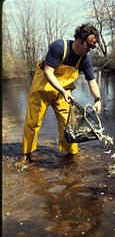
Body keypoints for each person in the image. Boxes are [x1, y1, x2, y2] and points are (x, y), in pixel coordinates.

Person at [21, 23, 102, 162]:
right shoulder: (59, 47)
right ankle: (26, 154)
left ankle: (72, 155)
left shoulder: (85, 59)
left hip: (63, 93)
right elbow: (48, 72)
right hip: (42, 89)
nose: (90, 49)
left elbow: (92, 81)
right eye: (88, 45)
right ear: (79, 39)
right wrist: (63, 90)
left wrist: (98, 99)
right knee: (33, 122)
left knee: (69, 123)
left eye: (93, 47)